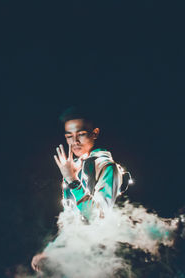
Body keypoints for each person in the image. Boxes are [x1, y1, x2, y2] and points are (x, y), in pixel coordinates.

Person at [31, 106, 126, 274]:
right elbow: (73, 221)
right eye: (69, 136)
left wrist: (73, 181)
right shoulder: (75, 167)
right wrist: (51, 251)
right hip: (77, 258)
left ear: (95, 133)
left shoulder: (107, 167)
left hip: (103, 260)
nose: (74, 141)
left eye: (80, 134)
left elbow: (98, 218)